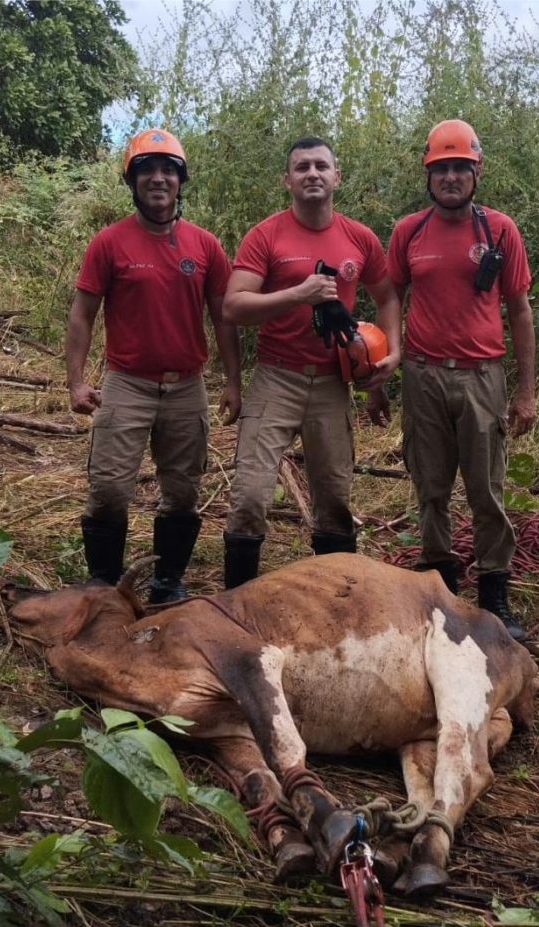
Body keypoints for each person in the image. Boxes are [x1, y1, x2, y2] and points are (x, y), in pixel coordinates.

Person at [374, 119, 537, 640]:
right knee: (430, 485)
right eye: (440, 168)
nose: (449, 177)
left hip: (481, 377)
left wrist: (526, 392)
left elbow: (520, 310)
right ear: (428, 174)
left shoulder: (500, 231)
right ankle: (440, 580)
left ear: (476, 171)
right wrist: (384, 367)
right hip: (422, 375)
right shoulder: (408, 232)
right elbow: (389, 298)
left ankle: (495, 593)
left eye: (459, 168)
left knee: (486, 489)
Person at [66, 128, 241, 602]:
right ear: (132, 180)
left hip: (188, 386)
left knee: (182, 491)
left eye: (168, 170)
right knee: (108, 489)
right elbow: (83, 314)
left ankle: (168, 583)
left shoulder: (205, 246)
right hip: (126, 384)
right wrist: (77, 382)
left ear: (181, 181)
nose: (159, 179)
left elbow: (224, 318)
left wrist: (233, 383)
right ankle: (103, 583)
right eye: (148, 171)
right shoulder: (109, 243)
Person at [221, 135, 401, 588]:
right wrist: (298, 295)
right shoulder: (266, 235)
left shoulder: (358, 238)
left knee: (335, 500)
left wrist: (390, 355)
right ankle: (236, 603)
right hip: (275, 377)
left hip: (332, 383)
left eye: (321, 166)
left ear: (337, 176)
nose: (312, 174)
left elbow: (387, 298)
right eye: (302, 168)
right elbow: (234, 306)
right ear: (288, 180)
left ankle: (335, 602)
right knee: (249, 495)